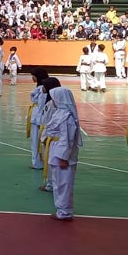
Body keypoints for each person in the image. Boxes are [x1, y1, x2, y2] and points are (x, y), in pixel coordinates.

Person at [43, 87, 82, 221]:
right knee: (58, 182)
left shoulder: (67, 117)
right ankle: (61, 209)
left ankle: (65, 212)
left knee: (64, 183)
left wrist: (63, 157)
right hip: (55, 150)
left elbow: (67, 138)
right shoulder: (59, 113)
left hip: (62, 155)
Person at [28, 67, 50, 170]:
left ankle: (37, 162)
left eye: (33, 75)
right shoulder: (43, 86)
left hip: (38, 116)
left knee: (36, 140)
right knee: (37, 139)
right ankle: (39, 161)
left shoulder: (42, 89)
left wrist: (40, 118)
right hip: (38, 114)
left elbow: (41, 105)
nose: (32, 77)